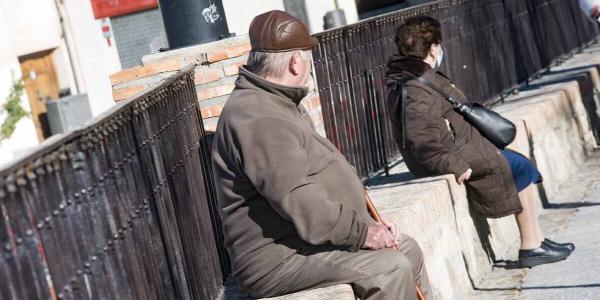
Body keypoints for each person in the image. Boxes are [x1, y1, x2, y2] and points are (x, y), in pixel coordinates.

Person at [212, 10, 431, 300]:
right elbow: (301, 201)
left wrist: (368, 224)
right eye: (308, 59)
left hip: (302, 243)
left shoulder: (276, 102)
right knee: (388, 269)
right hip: (279, 258)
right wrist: (363, 234)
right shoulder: (260, 117)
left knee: (407, 249)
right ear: (295, 62)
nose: (310, 67)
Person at [385, 16, 575, 268]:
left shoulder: (412, 77)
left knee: (518, 163)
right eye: (439, 45)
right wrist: (454, 166)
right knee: (519, 167)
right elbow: (421, 139)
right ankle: (530, 245)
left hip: (461, 146)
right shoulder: (416, 88)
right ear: (432, 48)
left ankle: (536, 237)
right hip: (455, 156)